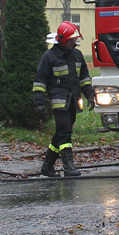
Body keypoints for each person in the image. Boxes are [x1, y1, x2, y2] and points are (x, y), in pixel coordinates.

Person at [33, 21, 96, 177]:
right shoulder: (49, 57)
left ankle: (47, 166)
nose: (74, 42)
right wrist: (39, 103)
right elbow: (40, 82)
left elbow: (84, 78)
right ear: (62, 40)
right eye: (71, 40)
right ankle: (68, 166)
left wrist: (90, 94)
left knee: (62, 133)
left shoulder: (77, 55)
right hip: (59, 102)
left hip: (74, 101)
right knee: (65, 132)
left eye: (74, 39)